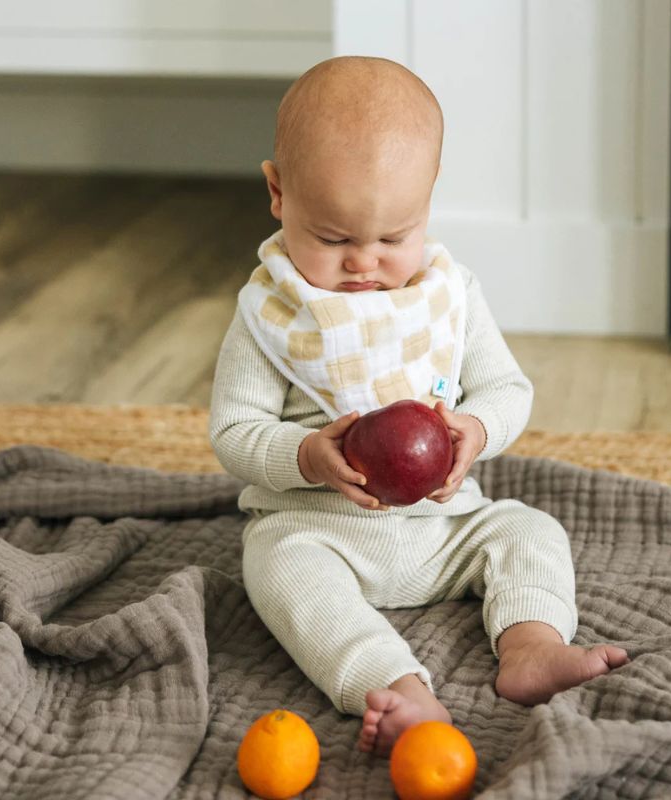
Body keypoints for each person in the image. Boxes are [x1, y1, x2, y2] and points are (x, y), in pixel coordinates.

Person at [209, 56, 630, 756]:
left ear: (428, 203)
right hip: (318, 532)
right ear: (278, 193)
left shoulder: (449, 294)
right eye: (334, 239)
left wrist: (473, 429)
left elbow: (507, 391)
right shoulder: (273, 314)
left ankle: (531, 644)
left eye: (394, 237)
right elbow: (232, 431)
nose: (365, 265)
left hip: (446, 529)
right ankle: (398, 685)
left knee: (528, 531)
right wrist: (307, 455)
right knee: (276, 572)